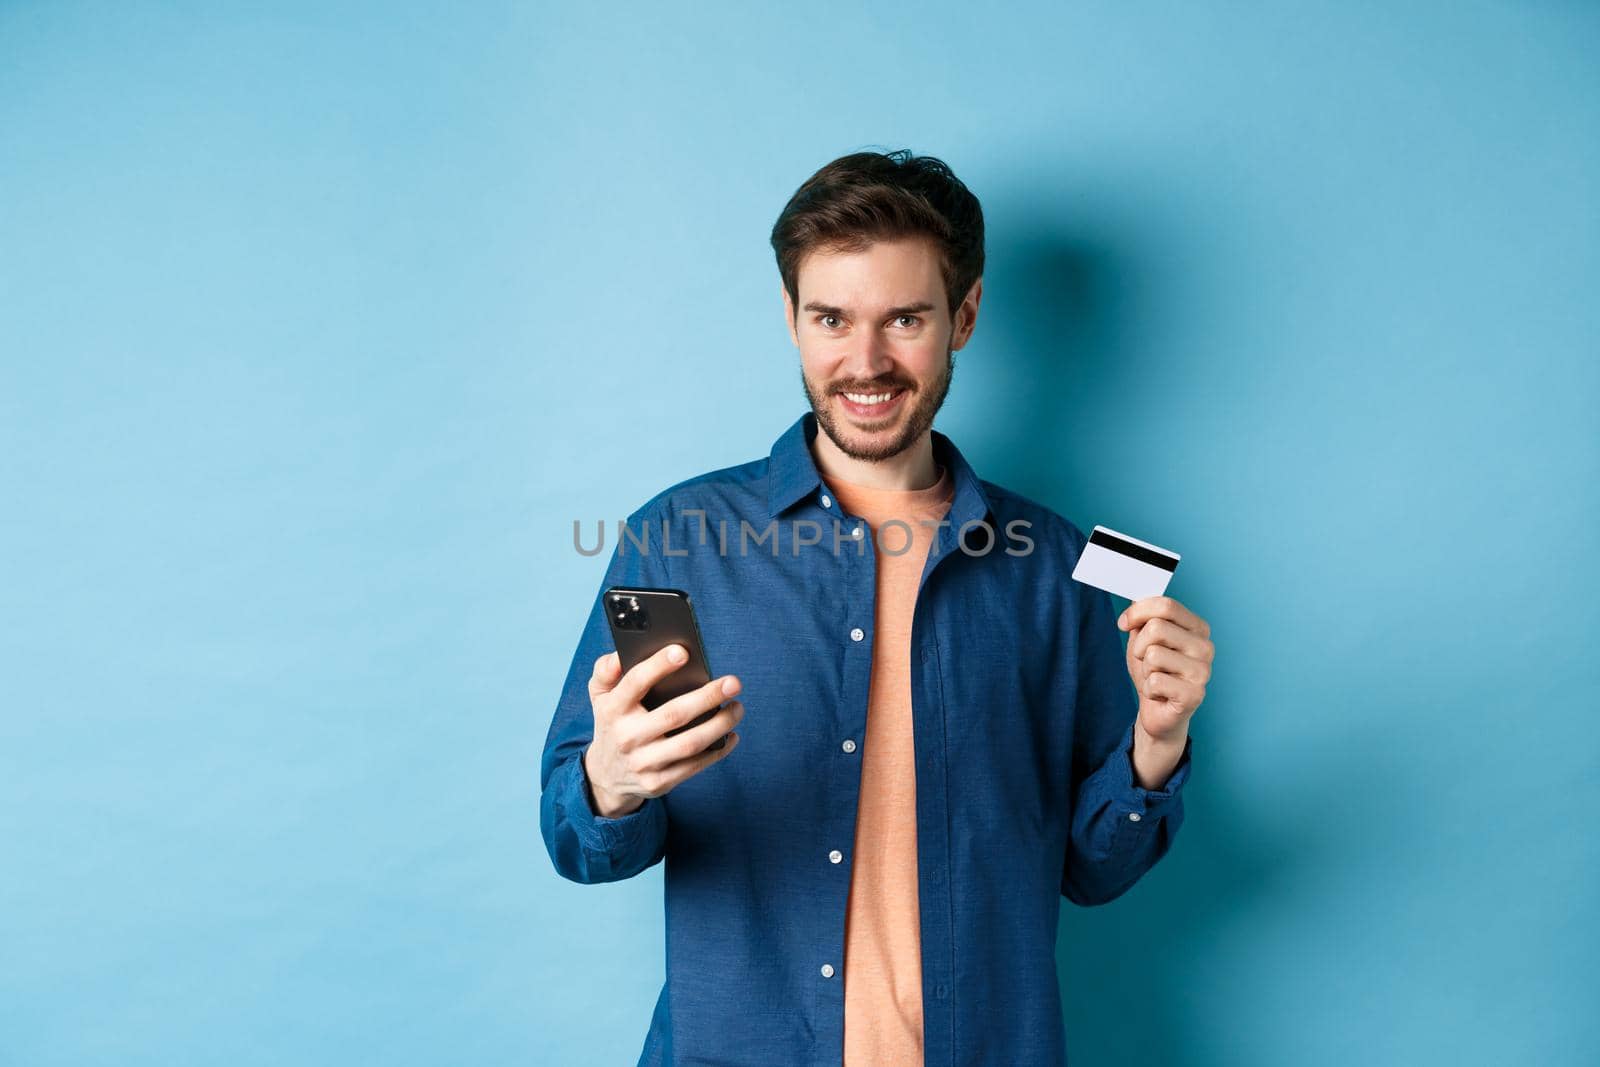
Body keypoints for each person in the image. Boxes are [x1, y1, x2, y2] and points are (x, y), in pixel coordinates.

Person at [540, 148, 1215, 1067]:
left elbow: (1094, 872)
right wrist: (609, 783)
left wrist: (1158, 743)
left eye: (904, 318)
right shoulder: (679, 539)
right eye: (831, 318)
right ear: (791, 319)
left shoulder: (1066, 567)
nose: (865, 362)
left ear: (963, 317)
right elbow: (582, 843)